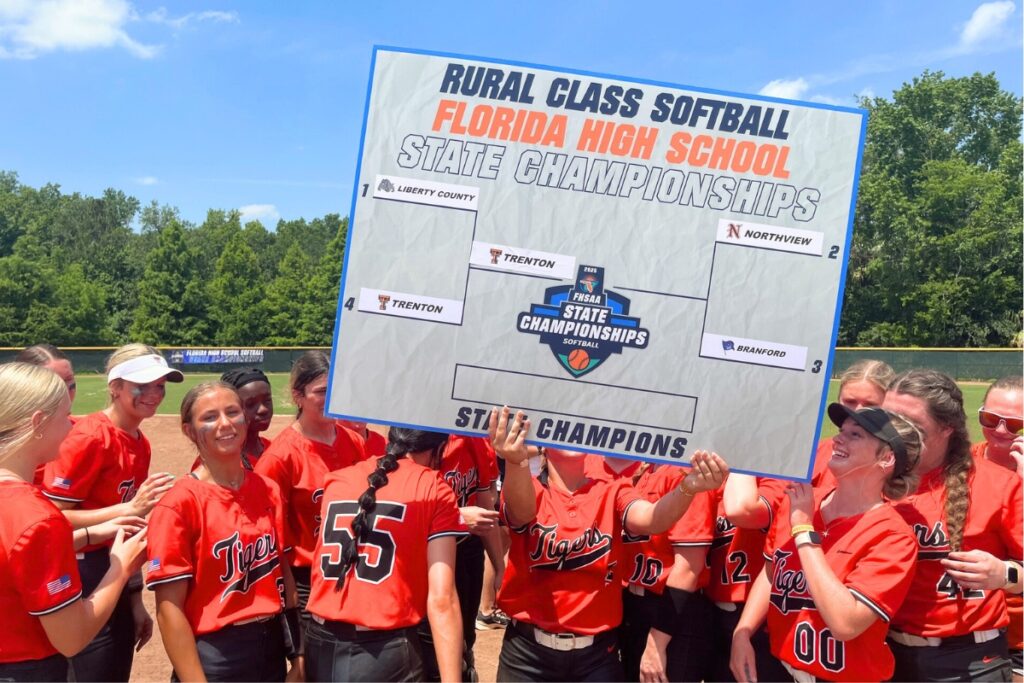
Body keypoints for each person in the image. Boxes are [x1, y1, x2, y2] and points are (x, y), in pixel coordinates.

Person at [490, 406, 728, 682]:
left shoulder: (612, 490)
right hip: (528, 655)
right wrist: (515, 462)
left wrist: (688, 487)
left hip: (596, 657)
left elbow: (653, 519)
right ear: (543, 445)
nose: (570, 434)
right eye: (562, 426)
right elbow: (521, 512)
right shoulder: (530, 488)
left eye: (578, 426)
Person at [731, 404, 923, 682]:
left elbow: (846, 623)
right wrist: (744, 631)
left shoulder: (893, 536)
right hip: (780, 669)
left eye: (855, 435)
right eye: (841, 431)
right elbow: (772, 572)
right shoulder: (802, 500)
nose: (838, 439)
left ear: (886, 458)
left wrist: (804, 531)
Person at [41, 343, 182, 682]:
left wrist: (135, 600)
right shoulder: (89, 436)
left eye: (159, 386)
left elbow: (127, 527)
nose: (154, 394)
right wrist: (128, 508)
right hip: (80, 573)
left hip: (114, 567)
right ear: (115, 387)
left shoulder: (138, 440)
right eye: (142, 385)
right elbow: (50, 516)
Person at [0, 363, 147, 681]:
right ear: (38, 423)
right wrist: (119, 569)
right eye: (64, 416)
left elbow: (13, 562)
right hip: (27, 669)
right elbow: (72, 637)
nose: (70, 426)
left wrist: (90, 533)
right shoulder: (36, 517)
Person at [147, 382, 300, 681]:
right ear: (189, 430)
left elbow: (283, 573)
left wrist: (298, 655)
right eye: (209, 417)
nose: (225, 424)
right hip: (215, 655)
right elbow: (169, 609)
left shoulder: (267, 489)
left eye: (232, 412)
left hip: (270, 648)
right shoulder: (179, 504)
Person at [884, 369, 1023, 681]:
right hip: (886, 654)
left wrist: (1003, 574)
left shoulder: (998, 484)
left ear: (946, 428)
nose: (895, 432)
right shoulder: (872, 477)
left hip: (969, 661)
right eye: (887, 419)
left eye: (912, 425)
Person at [305, 428, 465, 682]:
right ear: (438, 449)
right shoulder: (434, 486)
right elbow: (442, 599)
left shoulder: (337, 478)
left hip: (320, 644)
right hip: (384, 651)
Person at [254, 350, 366, 671]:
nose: (332, 399)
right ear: (297, 396)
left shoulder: (353, 442)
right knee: (313, 666)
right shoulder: (281, 456)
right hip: (306, 581)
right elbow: (269, 533)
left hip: (353, 569)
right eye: (322, 391)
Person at [418, 434, 504, 682]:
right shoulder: (422, 441)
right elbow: (406, 504)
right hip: (425, 554)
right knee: (429, 642)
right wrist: (456, 516)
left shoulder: (477, 440)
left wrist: (499, 566)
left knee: (465, 638)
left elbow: (486, 507)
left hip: (466, 549)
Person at [693, 473, 789, 683]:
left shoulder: (776, 479)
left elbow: (745, 510)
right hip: (712, 613)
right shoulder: (715, 482)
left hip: (757, 617)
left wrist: (743, 463)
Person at [625, 462, 716, 683]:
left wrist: (657, 643)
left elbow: (689, 566)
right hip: (636, 609)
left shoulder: (685, 474)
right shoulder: (645, 470)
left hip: (672, 613)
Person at [973, 375, 1024, 682]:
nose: (1000, 430)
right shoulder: (963, 462)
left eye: (1015, 424)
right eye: (990, 419)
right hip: (972, 626)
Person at [811, 359, 894, 488]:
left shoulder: (896, 465)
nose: (858, 411)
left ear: (890, 407)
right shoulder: (817, 452)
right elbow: (779, 490)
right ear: (839, 400)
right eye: (850, 401)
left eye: (870, 404)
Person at [15, 344, 77, 486]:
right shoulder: (12, 440)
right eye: (55, 385)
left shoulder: (81, 430)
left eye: (70, 382)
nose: (66, 392)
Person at [221, 367, 276, 469]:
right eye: (250, 404)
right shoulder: (218, 462)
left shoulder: (274, 449)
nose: (263, 409)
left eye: (267, 400)